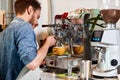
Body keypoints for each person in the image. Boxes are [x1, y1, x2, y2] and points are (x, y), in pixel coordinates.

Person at [0, 0, 56, 80]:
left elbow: (16, 61)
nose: (37, 22)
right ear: (30, 10)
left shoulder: (5, 31)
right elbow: (32, 63)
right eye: (37, 17)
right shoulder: (25, 27)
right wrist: (47, 44)